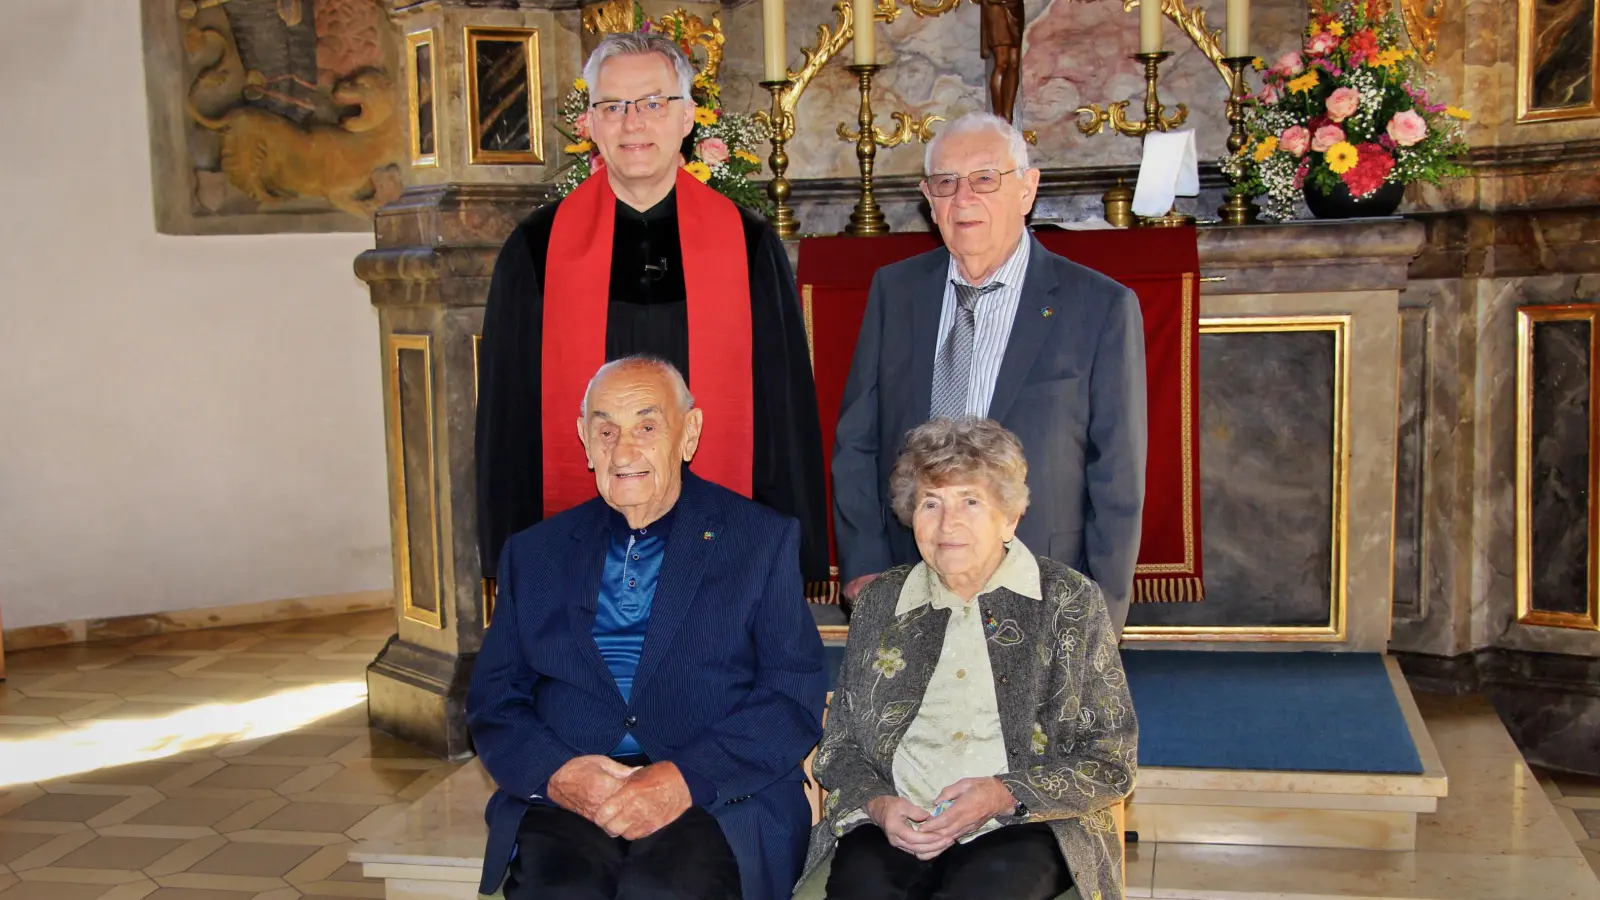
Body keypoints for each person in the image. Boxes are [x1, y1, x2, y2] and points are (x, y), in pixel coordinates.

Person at [474, 32, 828, 592]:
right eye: (612, 106)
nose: (632, 123)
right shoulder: (537, 249)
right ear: (589, 123)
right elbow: (507, 414)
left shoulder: (747, 244)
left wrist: (796, 545)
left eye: (652, 103)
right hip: (576, 547)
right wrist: (508, 549)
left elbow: (784, 408)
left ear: (688, 117)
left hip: (721, 543)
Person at [467, 357, 828, 900]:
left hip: (716, 794)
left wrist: (682, 778)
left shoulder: (758, 541)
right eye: (606, 429)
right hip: (573, 792)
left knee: (665, 890)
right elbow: (494, 701)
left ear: (691, 434)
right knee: (561, 890)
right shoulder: (533, 553)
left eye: (647, 426)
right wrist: (560, 775)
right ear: (584, 440)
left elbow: (790, 694)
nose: (623, 450)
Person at [830, 111, 1148, 633]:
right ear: (928, 200)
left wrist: (1099, 619)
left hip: (1041, 588)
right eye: (946, 183)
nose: (963, 199)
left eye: (984, 179)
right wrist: (865, 567)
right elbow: (857, 442)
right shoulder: (895, 292)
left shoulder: (1100, 306)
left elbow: (1117, 477)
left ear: (1027, 189)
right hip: (911, 579)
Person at [798, 417, 1136, 900]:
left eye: (970, 502)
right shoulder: (881, 602)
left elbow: (1111, 758)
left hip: (1024, 824)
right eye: (931, 503)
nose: (947, 524)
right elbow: (840, 745)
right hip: (898, 823)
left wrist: (1004, 793)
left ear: (1010, 516)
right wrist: (878, 806)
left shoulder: (1067, 599)